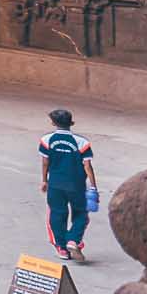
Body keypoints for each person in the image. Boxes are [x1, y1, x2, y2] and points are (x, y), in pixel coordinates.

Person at [40, 109, 98, 262]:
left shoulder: (47, 140)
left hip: (55, 184)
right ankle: (73, 240)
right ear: (71, 123)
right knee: (81, 214)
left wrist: (44, 180)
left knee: (57, 215)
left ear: (53, 122)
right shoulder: (82, 142)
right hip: (77, 185)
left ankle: (62, 248)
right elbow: (87, 166)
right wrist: (93, 187)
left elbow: (45, 162)